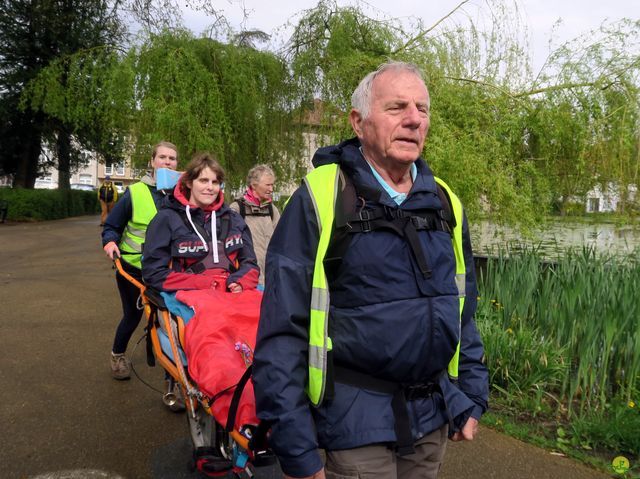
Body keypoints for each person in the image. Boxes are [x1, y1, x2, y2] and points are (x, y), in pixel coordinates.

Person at [252, 61, 489, 479]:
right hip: (354, 421)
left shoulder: (445, 202)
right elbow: (282, 330)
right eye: (397, 107)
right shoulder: (321, 197)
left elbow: (463, 311)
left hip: (432, 417)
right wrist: (296, 448)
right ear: (359, 122)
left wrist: (471, 394)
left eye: (423, 108)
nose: (415, 119)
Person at [101, 141, 178, 380]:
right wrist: (110, 242)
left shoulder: (182, 195)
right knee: (133, 316)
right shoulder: (135, 192)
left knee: (170, 322)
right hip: (133, 269)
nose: (167, 162)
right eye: (162, 157)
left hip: (167, 270)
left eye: (172, 158)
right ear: (152, 162)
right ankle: (118, 355)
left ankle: (174, 379)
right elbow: (112, 226)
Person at [141, 152, 259, 294]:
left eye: (215, 182)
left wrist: (241, 281)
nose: (210, 187)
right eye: (203, 180)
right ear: (189, 183)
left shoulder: (234, 219)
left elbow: (250, 264)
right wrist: (203, 284)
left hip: (233, 292)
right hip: (189, 295)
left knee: (270, 312)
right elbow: (153, 274)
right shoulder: (166, 219)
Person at [229, 165, 280, 287]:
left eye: (272, 185)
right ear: (254, 184)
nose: (271, 189)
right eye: (268, 185)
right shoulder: (236, 209)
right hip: (247, 279)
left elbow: (281, 240)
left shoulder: (272, 210)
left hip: (270, 277)